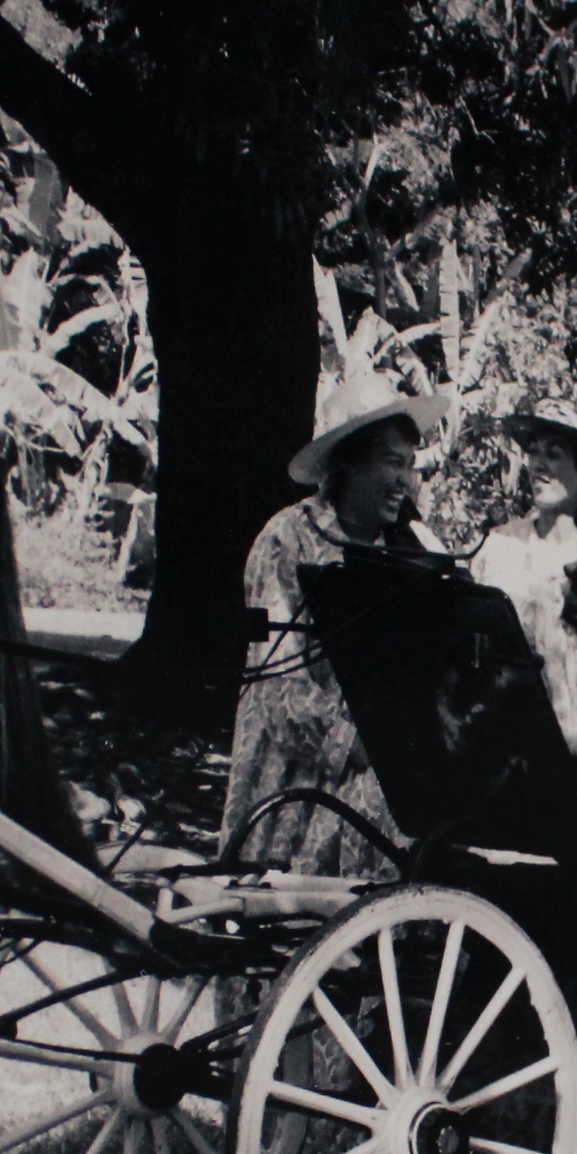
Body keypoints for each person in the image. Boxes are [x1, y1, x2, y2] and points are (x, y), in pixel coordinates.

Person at [223, 367, 450, 875]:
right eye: (392, 463)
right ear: (349, 462)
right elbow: (278, 682)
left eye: (410, 466)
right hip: (292, 782)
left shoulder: (412, 549)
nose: (404, 481)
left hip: (383, 777)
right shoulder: (288, 539)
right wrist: (368, 743)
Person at [469, 399, 577, 758]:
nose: (537, 464)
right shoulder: (498, 547)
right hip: (510, 753)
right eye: (534, 452)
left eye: (553, 454)